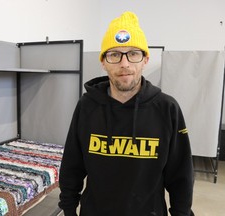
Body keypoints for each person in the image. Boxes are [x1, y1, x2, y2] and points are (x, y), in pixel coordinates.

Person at [58, 11, 194, 216]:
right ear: (103, 61)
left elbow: (181, 176)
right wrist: (68, 209)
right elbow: (72, 165)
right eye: (114, 54)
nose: (124, 64)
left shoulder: (168, 109)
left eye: (133, 53)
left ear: (145, 59)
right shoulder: (87, 106)